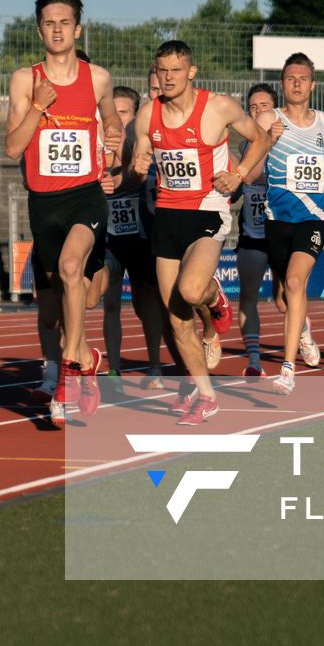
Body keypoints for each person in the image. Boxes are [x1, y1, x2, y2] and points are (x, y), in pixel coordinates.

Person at [132, 39, 271, 424]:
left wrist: (238, 173)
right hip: (168, 217)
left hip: (209, 209)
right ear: (155, 74)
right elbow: (138, 160)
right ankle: (205, 394)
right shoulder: (147, 115)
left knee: (191, 290)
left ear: (191, 72)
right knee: (175, 318)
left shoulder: (218, 107)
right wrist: (138, 163)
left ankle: (214, 300)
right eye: (163, 71)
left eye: (177, 70)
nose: (169, 77)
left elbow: (260, 138)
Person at [4, 0, 125, 426]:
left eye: (64, 23)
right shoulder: (24, 79)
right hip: (44, 202)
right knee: (62, 288)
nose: (57, 30)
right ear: (40, 30)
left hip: (86, 195)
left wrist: (114, 136)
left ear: (77, 29)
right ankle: (83, 356)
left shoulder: (97, 78)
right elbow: (14, 147)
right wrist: (38, 106)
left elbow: (111, 119)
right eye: (48, 23)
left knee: (73, 268)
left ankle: (70, 371)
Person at [253, 53, 324, 394]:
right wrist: (269, 142)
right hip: (277, 219)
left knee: (294, 282)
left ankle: (287, 369)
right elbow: (254, 165)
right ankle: (302, 328)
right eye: (291, 79)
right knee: (282, 297)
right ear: (282, 84)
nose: (297, 84)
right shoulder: (267, 119)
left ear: (312, 84)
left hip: (314, 218)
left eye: (303, 79)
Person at [100, 83, 168, 395]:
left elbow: (132, 178)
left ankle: (154, 363)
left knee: (146, 304)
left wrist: (118, 178)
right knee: (109, 301)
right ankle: (114, 367)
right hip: (109, 234)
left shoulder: (141, 144)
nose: (116, 119)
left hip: (141, 235)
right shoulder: (96, 145)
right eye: (111, 112)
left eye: (124, 113)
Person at [233, 83, 278, 379]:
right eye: (253, 108)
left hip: (282, 230)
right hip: (252, 231)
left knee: (287, 296)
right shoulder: (241, 148)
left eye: (264, 106)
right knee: (248, 295)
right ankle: (254, 361)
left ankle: (303, 332)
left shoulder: (292, 142)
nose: (259, 112)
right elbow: (240, 185)